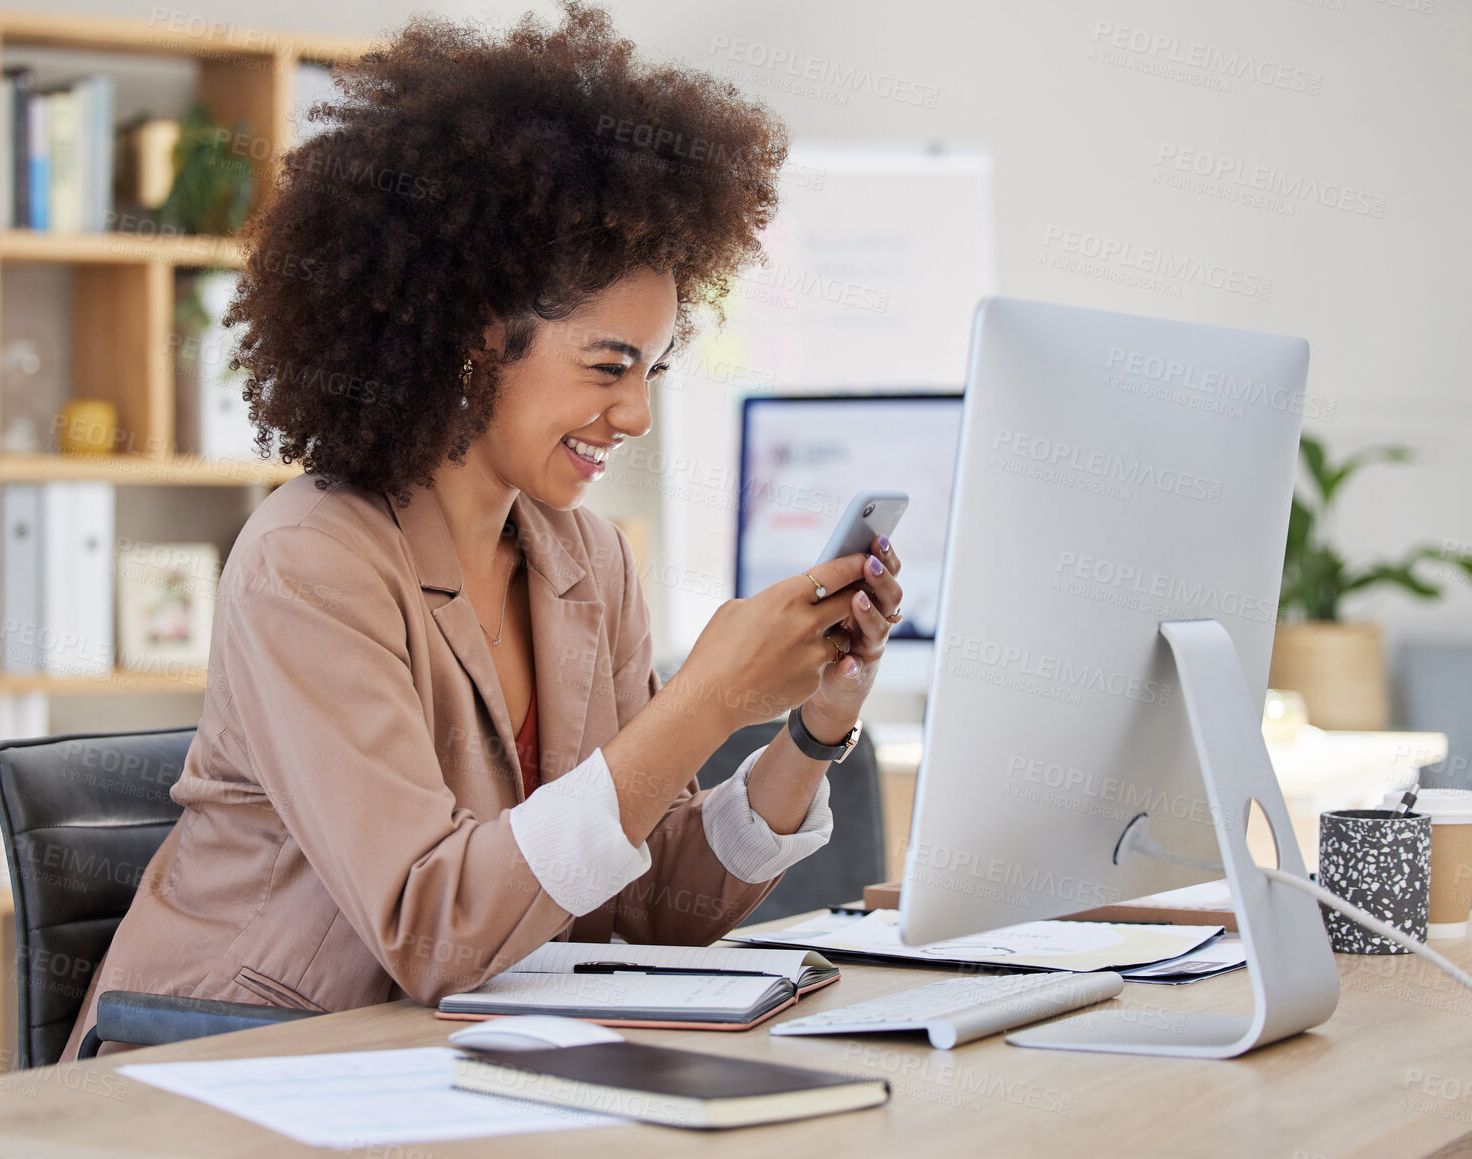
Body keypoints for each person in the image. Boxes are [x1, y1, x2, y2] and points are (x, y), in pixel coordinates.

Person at [60, 0, 901, 1060]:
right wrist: (707, 698)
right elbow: (435, 926)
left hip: (441, 1063)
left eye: (654, 370)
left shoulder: (585, 558)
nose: (635, 414)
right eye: (607, 366)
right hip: (227, 1063)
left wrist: (813, 727)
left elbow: (659, 909)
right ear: (470, 334)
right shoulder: (312, 560)